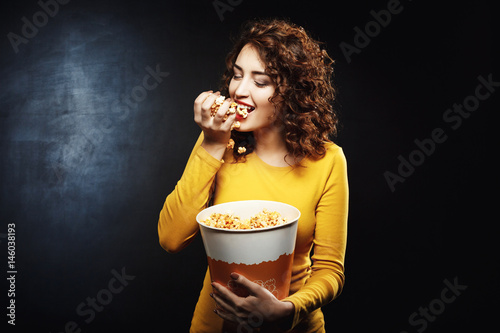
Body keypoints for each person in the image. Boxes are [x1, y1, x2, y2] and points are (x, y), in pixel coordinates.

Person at [158, 18, 348, 332]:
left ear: (293, 93)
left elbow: (330, 270)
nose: (239, 91)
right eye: (236, 75)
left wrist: (288, 310)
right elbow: (170, 238)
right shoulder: (218, 141)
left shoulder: (328, 160)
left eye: (260, 82)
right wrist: (212, 143)